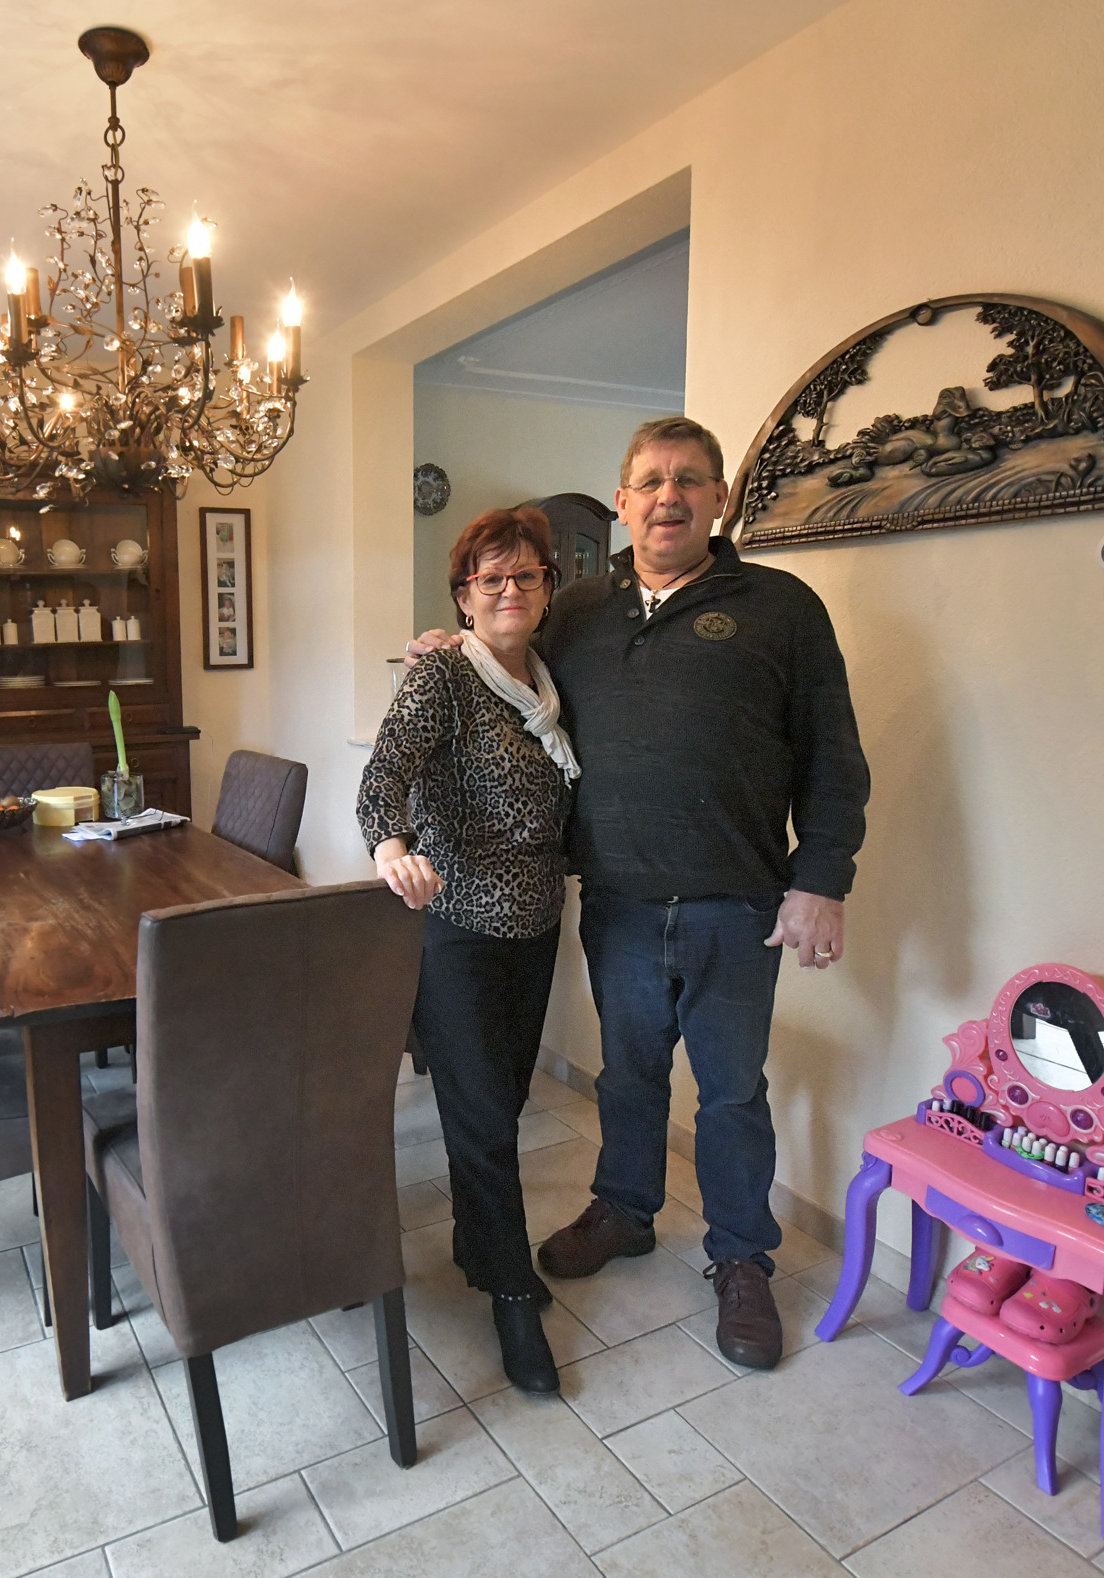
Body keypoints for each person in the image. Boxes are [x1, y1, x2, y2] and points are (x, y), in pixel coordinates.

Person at [408, 415, 868, 1369]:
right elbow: (507, 667)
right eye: (651, 481)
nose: (669, 497)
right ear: (622, 502)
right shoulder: (576, 610)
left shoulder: (782, 608)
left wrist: (821, 880)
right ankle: (624, 1210)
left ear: (720, 498)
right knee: (628, 1075)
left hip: (738, 905)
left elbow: (833, 757)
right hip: (615, 901)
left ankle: (741, 1257)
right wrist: (451, 651)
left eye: (689, 479)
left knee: (731, 1094)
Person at [358, 507, 580, 1394]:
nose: (509, 590)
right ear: (463, 595)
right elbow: (383, 775)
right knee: (485, 1116)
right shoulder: (444, 675)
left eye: (526, 575)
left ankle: (473, 1241)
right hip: (456, 931)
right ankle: (511, 1292)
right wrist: (392, 849)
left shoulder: (551, 684)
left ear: (548, 589)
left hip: (536, 927)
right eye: (491, 578)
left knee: (503, 1101)